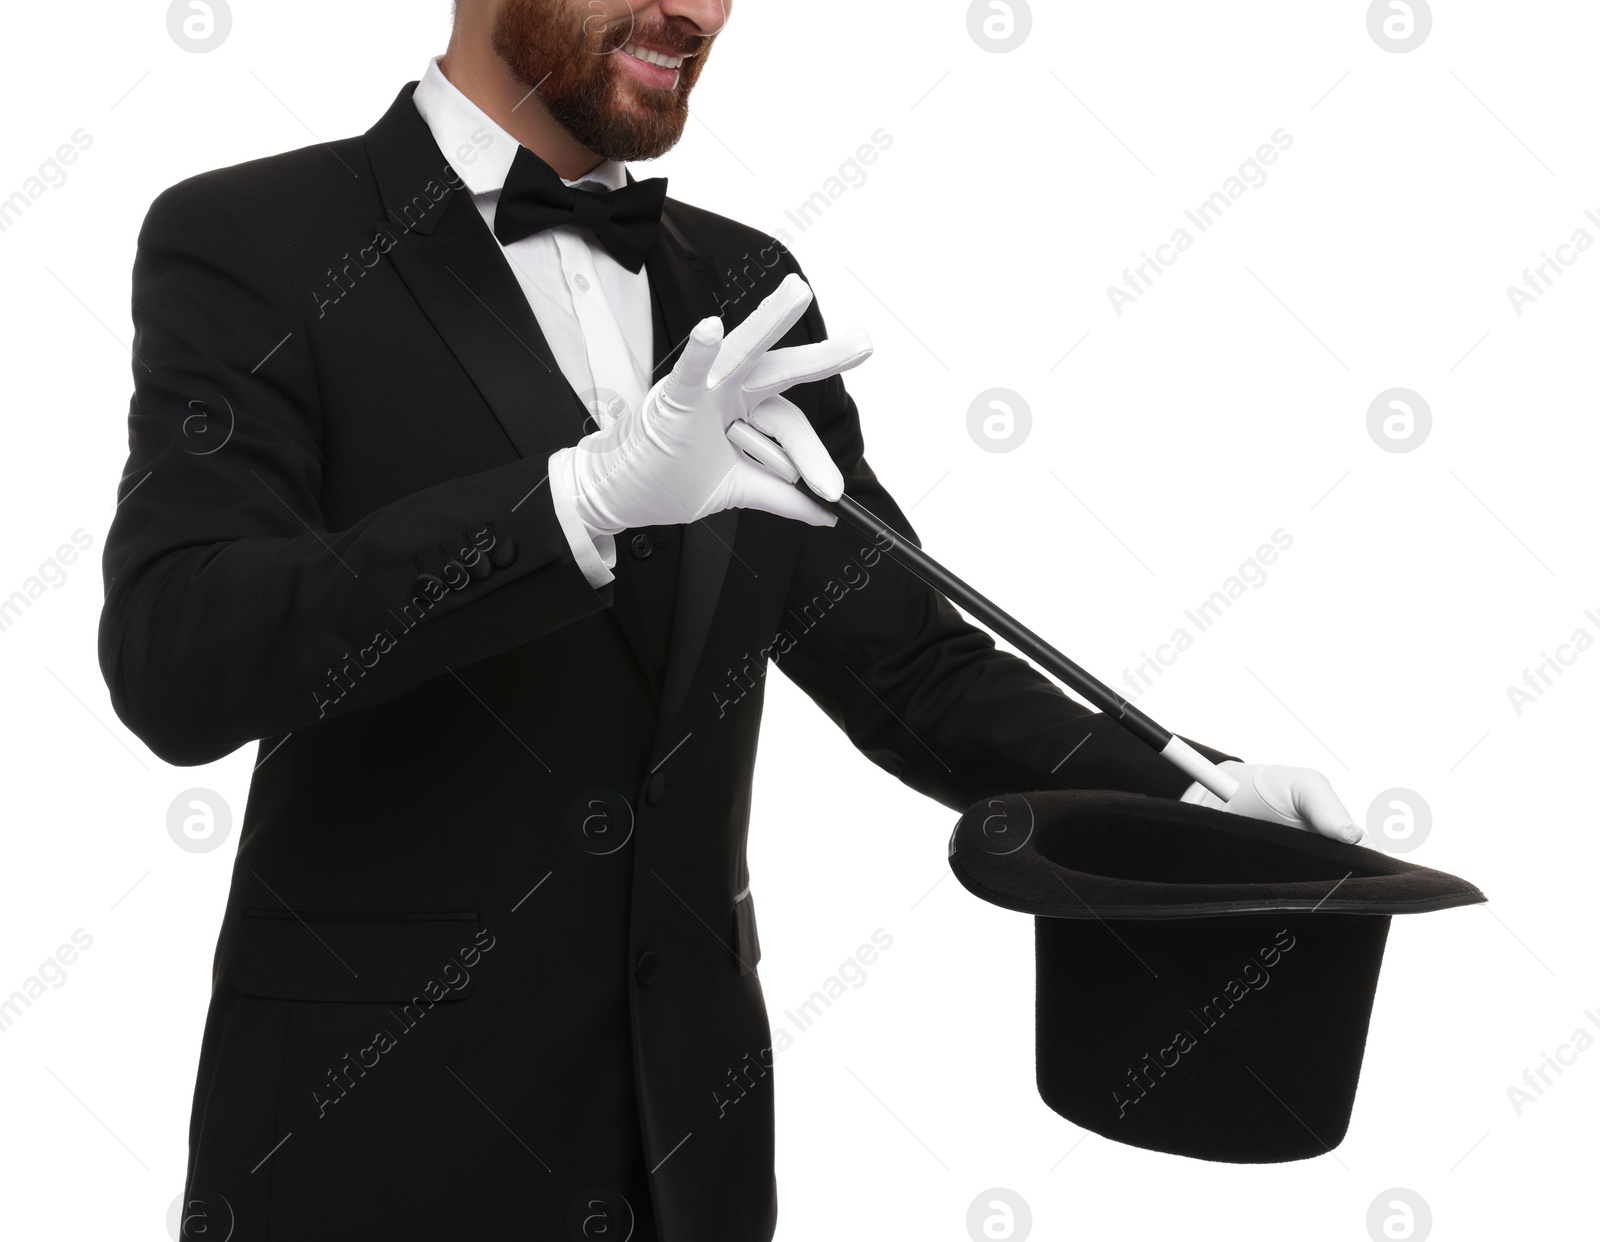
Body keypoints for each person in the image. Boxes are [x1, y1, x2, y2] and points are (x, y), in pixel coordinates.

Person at [100, 2, 1361, 1238]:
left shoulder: (748, 285)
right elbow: (177, 653)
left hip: (685, 1147)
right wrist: (573, 503)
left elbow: (908, 665)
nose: (692, 9)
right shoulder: (247, 238)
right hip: (370, 1138)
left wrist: (1187, 802)